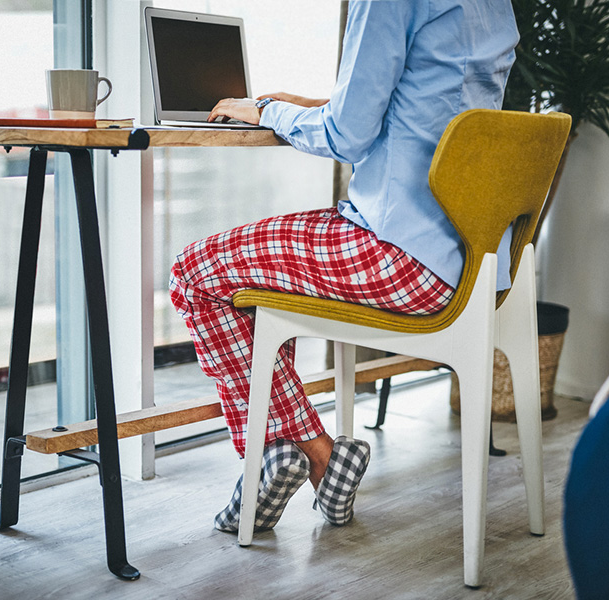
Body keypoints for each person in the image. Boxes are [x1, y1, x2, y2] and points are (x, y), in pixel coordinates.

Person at [169, 0, 519, 533]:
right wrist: (298, 103)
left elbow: (347, 137)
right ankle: (301, 452)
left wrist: (266, 112)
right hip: (473, 260)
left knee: (196, 273)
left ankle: (304, 452)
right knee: (250, 275)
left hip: (400, 255)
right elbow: (422, 105)